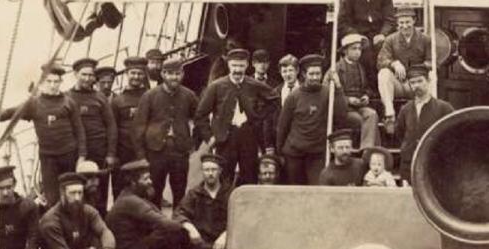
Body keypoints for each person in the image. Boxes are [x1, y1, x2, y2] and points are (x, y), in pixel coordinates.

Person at [0, 64, 86, 207]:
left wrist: (81, 156)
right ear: (43, 82)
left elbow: (80, 130)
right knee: (52, 197)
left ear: (60, 82)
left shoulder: (69, 102)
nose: (52, 85)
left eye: (56, 82)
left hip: (69, 154)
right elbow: (12, 112)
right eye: (49, 81)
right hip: (48, 157)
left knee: (71, 193)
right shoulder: (34, 103)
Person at [195, 48, 277, 187]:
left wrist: (258, 116)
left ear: (247, 65)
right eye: (234, 65)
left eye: (241, 65)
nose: (237, 70)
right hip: (225, 137)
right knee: (224, 176)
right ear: (228, 65)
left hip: (248, 135)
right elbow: (200, 115)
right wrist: (210, 137)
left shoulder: (254, 84)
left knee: (249, 174)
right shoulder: (217, 86)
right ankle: (224, 207)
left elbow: (274, 98)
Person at [37, 173, 125, 249]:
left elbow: (104, 231)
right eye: (72, 193)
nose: (77, 198)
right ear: (62, 194)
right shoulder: (51, 220)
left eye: (80, 193)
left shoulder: (88, 211)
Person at [133, 59, 199, 208]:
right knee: (154, 190)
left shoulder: (189, 95)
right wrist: (141, 156)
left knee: (179, 190)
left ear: (182, 74)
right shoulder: (150, 96)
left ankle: (179, 223)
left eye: (177, 74)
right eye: (170, 74)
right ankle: (155, 226)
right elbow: (138, 127)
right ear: (163, 74)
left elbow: (200, 119)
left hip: (180, 151)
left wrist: (194, 141)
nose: (174, 78)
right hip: (156, 151)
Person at [276, 54, 349, 185]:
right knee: (295, 191)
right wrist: (279, 151)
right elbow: (283, 126)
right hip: (294, 153)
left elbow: (342, 115)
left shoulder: (328, 93)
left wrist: (338, 87)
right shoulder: (294, 96)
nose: (315, 77)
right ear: (304, 74)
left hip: (317, 153)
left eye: (318, 74)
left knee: (316, 190)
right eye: (311, 74)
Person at [106, 160, 191, 249]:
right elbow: (165, 224)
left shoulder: (131, 197)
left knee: (167, 230)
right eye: (145, 179)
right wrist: (189, 231)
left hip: (130, 248)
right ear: (133, 183)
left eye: (149, 178)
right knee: (166, 231)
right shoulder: (131, 201)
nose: (150, 181)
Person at [67, 57, 117, 212]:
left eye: (90, 75)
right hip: (76, 153)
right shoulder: (66, 97)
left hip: (98, 151)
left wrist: (110, 153)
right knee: (76, 188)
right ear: (75, 74)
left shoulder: (100, 98)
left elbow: (111, 126)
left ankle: (100, 220)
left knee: (99, 191)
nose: (88, 79)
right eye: (84, 75)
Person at [376, 7, 434, 132]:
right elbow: (381, 61)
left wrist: (419, 69)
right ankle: (390, 115)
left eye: (407, 22)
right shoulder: (390, 39)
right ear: (397, 23)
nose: (405, 26)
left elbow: (432, 62)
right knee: (383, 73)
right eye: (401, 23)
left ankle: (428, 113)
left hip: (416, 83)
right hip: (398, 84)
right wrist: (394, 63)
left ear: (414, 21)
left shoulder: (425, 39)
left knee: (433, 75)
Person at [394, 66, 454, 183]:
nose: (416, 86)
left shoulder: (444, 108)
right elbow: (400, 133)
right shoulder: (405, 109)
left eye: (420, 81)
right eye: (412, 83)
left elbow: (453, 135)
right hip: (409, 163)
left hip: (434, 163)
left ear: (428, 81)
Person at [340, 0, 395, 85]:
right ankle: (365, 87)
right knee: (364, 54)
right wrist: (356, 36)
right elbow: (342, 22)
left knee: (386, 54)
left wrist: (383, 34)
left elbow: (390, 19)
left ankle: (383, 88)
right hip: (358, 36)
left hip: (379, 36)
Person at [324, 34, 379, 148]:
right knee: (361, 120)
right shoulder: (336, 69)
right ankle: (370, 149)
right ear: (345, 51)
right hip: (343, 109)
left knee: (372, 114)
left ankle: (367, 148)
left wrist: (366, 96)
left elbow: (367, 88)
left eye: (359, 49)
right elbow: (326, 92)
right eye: (354, 49)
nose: (358, 52)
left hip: (358, 106)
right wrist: (348, 100)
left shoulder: (360, 67)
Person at [175, 154, 230, 249]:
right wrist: (191, 229)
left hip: (224, 241)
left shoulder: (230, 193)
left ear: (220, 171)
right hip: (201, 241)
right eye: (206, 170)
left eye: (214, 170)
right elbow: (179, 213)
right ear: (202, 172)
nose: (210, 173)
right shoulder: (194, 193)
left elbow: (240, 218)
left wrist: (226, 235)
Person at [109, 56, 148, 199]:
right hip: (123, 151)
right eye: (133, 73)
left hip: (145, 152)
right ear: (127, 74)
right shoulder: (117, 101)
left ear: (144, 75)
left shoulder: (150, 97)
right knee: (119, 189)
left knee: (144, 188)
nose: (136, 77)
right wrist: (112, 154)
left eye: (139, 73)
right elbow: (112, 129)